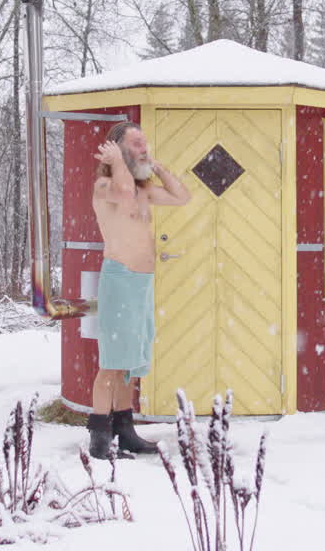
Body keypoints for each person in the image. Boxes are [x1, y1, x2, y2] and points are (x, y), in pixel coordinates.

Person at [87, 121, 191, 459]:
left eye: (144, 141)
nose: (143, 147)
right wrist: (119, 163)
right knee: (112, 363)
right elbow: (124, 195)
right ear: (116, 150)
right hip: (120, 279)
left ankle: (125, 430)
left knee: (129, 362)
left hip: (141, 284)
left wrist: (157, 167)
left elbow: (181, 196)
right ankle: (99, 439)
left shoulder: (142, 188)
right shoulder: (105, 185)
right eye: (135, 143)